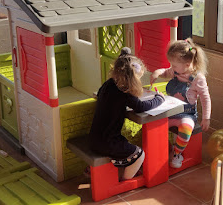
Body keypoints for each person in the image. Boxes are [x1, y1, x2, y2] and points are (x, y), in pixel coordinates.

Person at [89, 47, 165, 180]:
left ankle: (123, 168)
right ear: (132, 79)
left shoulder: (108, 84)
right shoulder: (124, 91)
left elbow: (108, 99)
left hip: (95, 138)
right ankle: (126, 180)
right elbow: (141, 106)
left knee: (126, 145)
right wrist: (159, 99)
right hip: (108, 142)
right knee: (139, 154)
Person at [150, 38, 211, 168]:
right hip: (170, 112)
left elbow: (205, 99)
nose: (172, 68)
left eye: (175, 65)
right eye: (171, 65)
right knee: (153, 128)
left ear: (188, 64)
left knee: (186, 128)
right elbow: (166, 72)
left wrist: (206, 118)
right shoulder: (176, 71)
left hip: (186, 114)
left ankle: (177, 153)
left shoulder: (198, 79)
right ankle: (167, 148)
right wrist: (157, 73)